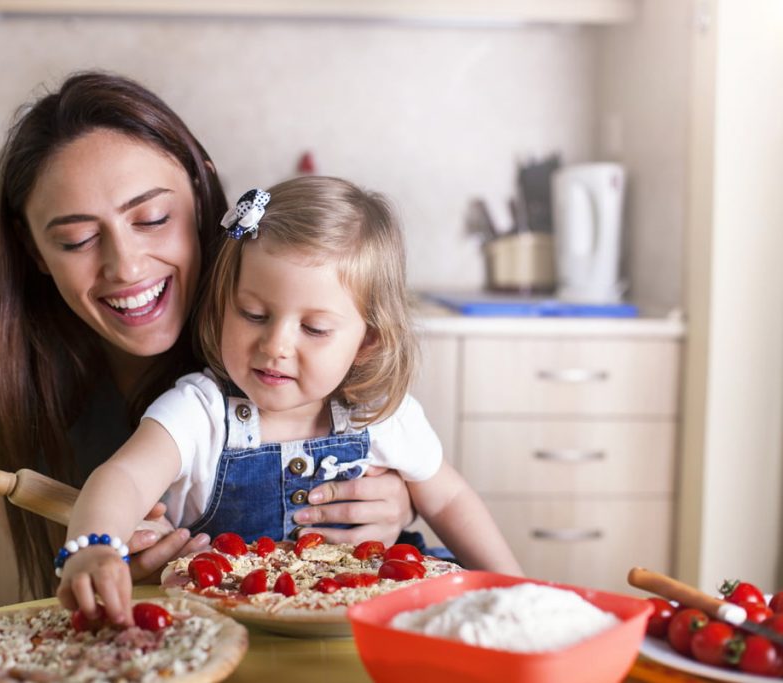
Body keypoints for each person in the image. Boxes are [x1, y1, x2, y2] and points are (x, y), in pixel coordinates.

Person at [0, 71, 418, 600]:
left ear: (202, 192)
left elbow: (418, 469)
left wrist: (400, 502)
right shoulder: (15, 407)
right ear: (34, 250)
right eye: (78, 238)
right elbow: (71, 581)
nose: (126, 266)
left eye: (153, 218)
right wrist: (109, 573)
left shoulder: (287, 333)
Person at [57, 176, 522, 624]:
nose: (275, 345)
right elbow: (123, 478)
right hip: (234, 633)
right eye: (253, 314)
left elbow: (451, 501)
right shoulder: (198, 412)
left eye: (314, 329)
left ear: (367, 342)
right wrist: (95, 547)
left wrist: (517, 592)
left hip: (363, 630)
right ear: (223, 303)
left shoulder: (380, 416)